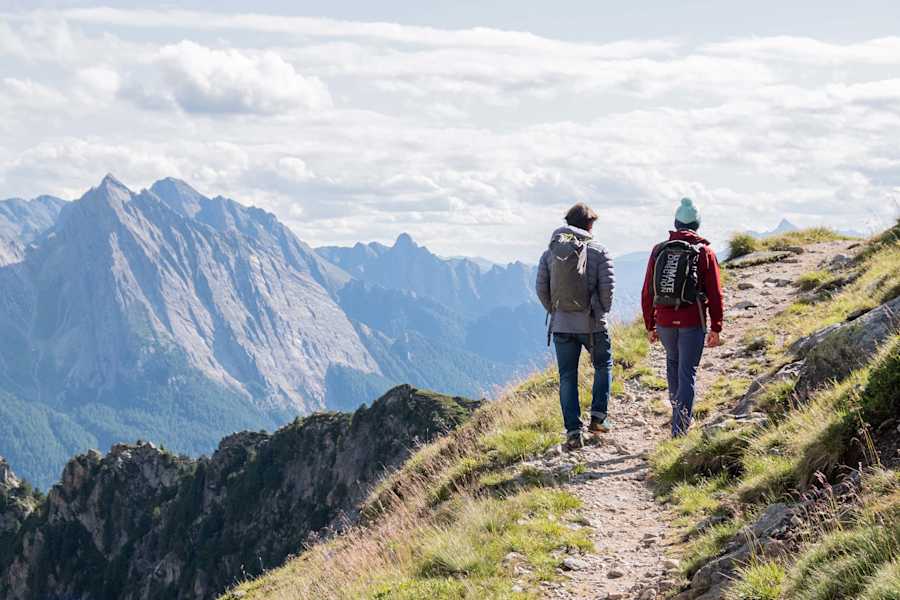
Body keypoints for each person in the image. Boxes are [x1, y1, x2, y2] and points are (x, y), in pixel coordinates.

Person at [641, 198, 724, 437]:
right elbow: (715, 293)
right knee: (687, 372)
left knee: (673, 365)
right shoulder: (704, 252)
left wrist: (650, 324)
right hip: (692, 321)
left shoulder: (659, 250)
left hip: (665, 321)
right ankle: (680, 429)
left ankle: (677, 415)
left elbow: (648, 291)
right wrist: (716, 326)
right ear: (697, 224)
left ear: (675, 223)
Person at [536, 203, 615, 451]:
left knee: (567, 376)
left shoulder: (550, 253)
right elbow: (607, 289)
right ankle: (598, 419)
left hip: (561, 325)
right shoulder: (599, 251)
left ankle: (573, 433)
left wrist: (556, 311)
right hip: (592, 324)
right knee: (603, 365)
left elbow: (541, 288)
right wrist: (600, 312)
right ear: (590, 224)